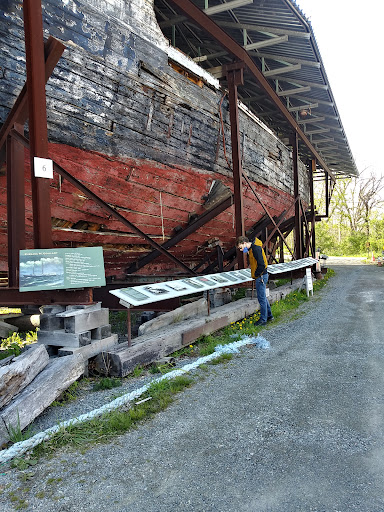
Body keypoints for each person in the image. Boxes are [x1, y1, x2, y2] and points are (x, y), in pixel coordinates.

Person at [236, 235, 273, 326]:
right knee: (263, 297)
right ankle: (269, 316)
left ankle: (263, 319)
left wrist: (256, 274)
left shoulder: (255, 249)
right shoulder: (252, 249)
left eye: (241, 248)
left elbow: (262, 264)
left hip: (260, 276)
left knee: (261, 299)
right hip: (261, 275)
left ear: (244, 243)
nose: (241, 250)